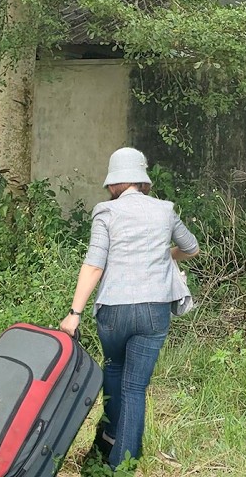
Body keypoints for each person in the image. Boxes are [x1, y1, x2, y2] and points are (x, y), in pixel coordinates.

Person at [59, 147, 200, 471]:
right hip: (153, 311)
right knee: (135, 387)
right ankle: (122, 465)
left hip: (114, 310)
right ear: (143, 181)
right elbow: (191, 248)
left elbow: (94, 265)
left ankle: (109, 436)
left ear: (113, 183)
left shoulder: (106, 212)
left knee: (113, 367)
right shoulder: (165, 210)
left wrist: (74, 313)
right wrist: (165, 255)